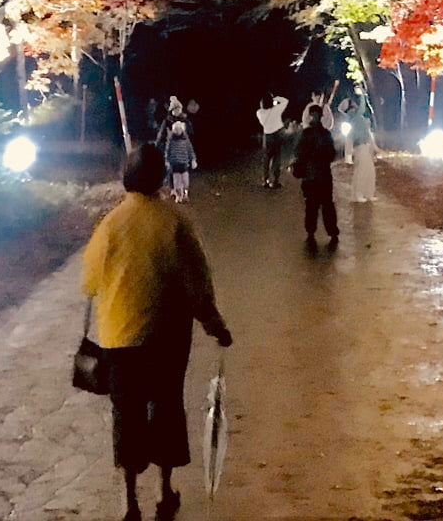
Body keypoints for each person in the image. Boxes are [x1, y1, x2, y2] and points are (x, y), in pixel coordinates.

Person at [82, 143, 233, 521]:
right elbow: (198, 283)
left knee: (127, 413)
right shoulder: (175, 222)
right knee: (166, 407)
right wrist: (216, 326)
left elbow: (89, 283)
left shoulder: (109, 225)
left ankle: (130, 502)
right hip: (167, 336)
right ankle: (165, 492)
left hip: (120, 337)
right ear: (161, 177)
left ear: (125, 178)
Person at [291, 103, 340, 246]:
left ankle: (311, 232)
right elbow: (332, 155)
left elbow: (298, 153)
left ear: (310, 116)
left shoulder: (306, 134)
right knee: (327, 205)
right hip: (324, 175)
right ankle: (332, 232)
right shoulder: (326, 134)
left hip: (309, 176)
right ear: (321, 117)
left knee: (311, 206)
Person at [340, 96, 377, 203]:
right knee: (361, 172)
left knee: (369, 171)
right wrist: (362, 95)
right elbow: (362, 107)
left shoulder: (358, 119)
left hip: (364, 147)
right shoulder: (354, 117)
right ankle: (359, 194)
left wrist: (373, 147)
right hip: (360, 147)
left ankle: (368, 194)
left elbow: (367, 134)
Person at [256, 92, 289, 188]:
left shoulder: (259, 113)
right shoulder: (277, 110)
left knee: (266, 159)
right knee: (276, 159)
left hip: (267, 136)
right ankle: (275, 181)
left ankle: (265, 180)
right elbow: (285, 101)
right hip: (278, 135)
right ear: (271, 101)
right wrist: (276, 98)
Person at [164, 118, 196, 202]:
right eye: (176, 129)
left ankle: (185, 194)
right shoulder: (171, 141)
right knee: (177, 182)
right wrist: (167, 161)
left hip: (184, 164)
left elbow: (190, 150)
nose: (178, 131)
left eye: (179, 129)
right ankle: (178, 195)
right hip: (175, 165)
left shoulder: (186, 140)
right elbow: (167, 151)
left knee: (185, 182)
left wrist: (193, 160)